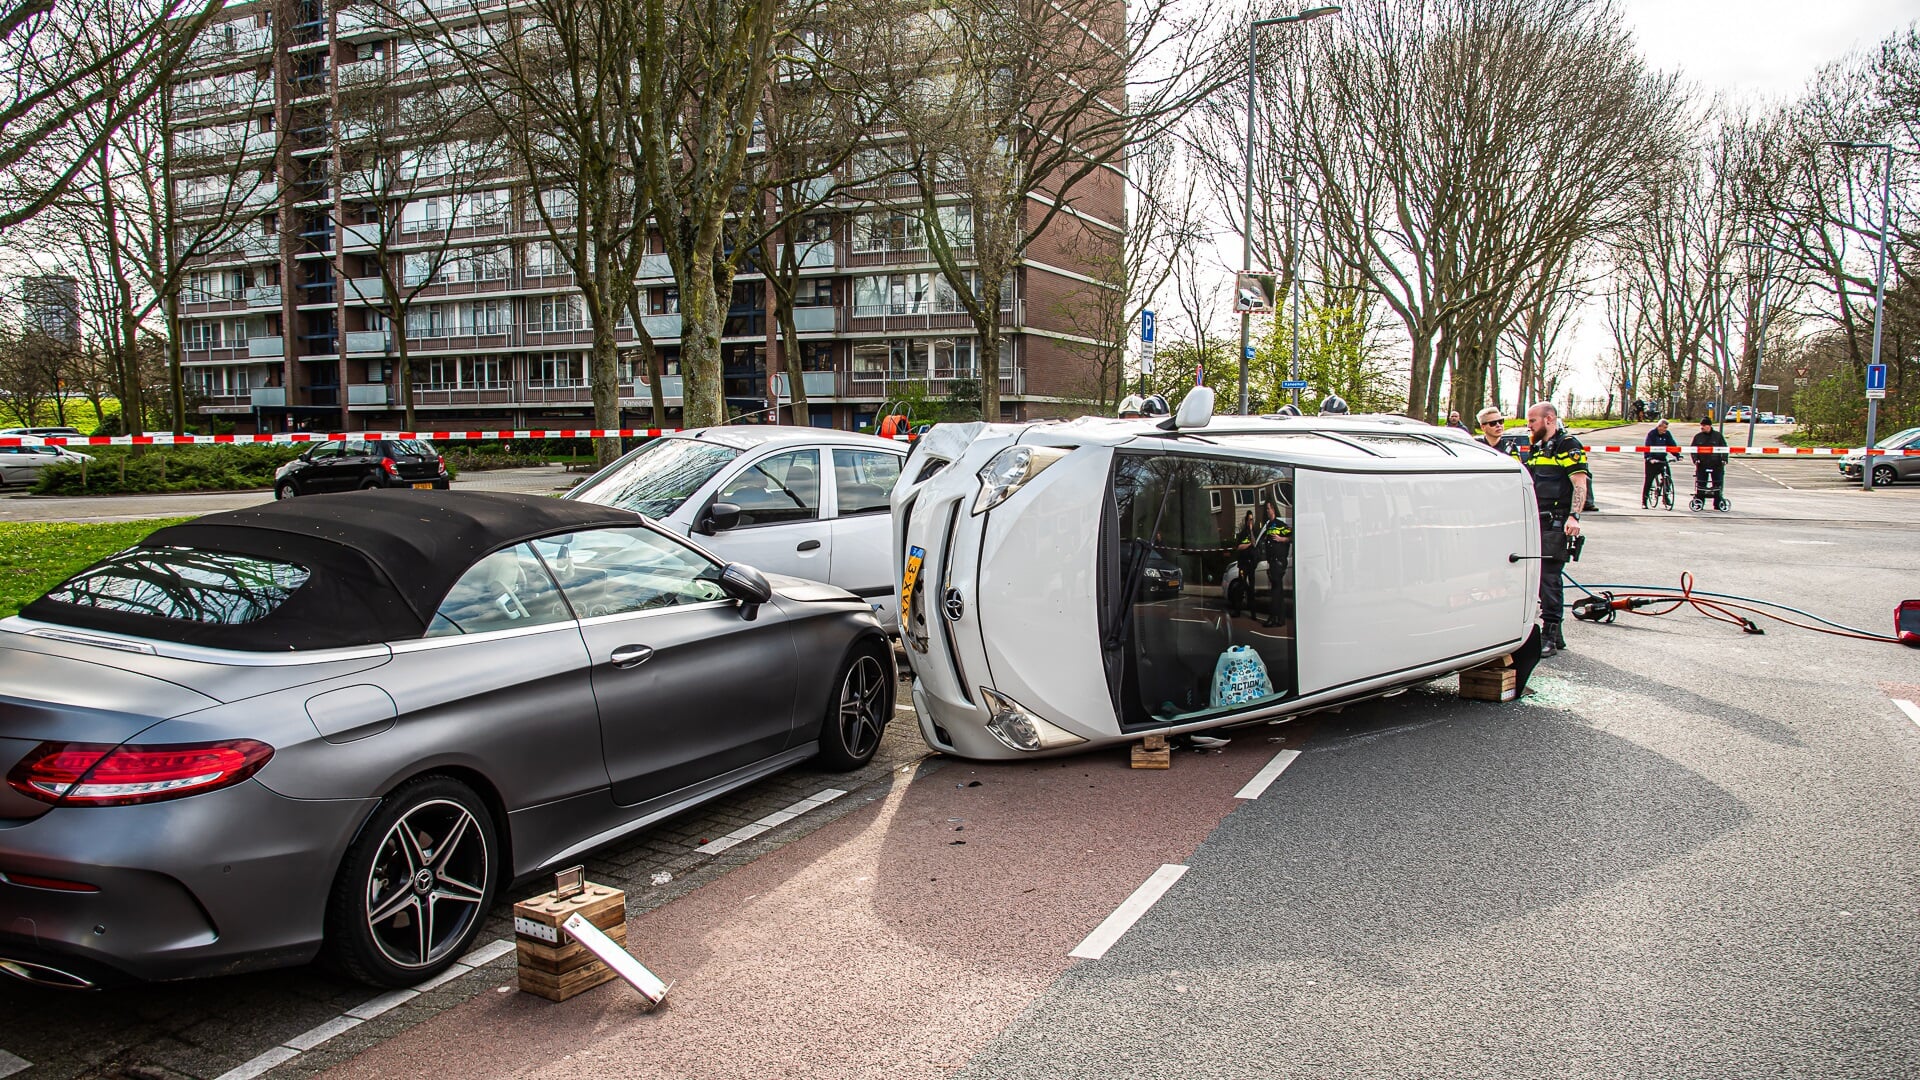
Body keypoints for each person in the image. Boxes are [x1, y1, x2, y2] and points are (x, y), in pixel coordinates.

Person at [1506, 402, 1588, 657]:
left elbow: (1580, 484)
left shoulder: (1568, 445)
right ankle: (1556, 635)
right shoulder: (1538, 447)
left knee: (1549, 578)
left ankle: (1550, 635)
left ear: (1549, 419)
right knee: (1538, 577)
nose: (1529, 426)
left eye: (1532, 421)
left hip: (1557, 521)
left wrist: (1574, 517)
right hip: (1537, 520)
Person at [1257, 497, 1292, 628]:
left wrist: (1282, 538)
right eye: (1266, 509)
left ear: (1273, 510)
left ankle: (1273, 618)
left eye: (1269, 508)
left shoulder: (1280, 525)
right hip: (1272, 563)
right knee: (1279, 591)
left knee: (1275, 591)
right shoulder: (1269, 526)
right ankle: (1281, 619)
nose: (1267, 511)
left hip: (1279, 562)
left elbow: (1292, 536)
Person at [1691, 417, 1728, 506]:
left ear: (1709, 426)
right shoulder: (1698, 437)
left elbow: (1724, 448)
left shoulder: (1718, 436)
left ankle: (1718, 502)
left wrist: (1724, 459)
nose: (1702, 427)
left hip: (1716, 463)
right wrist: (1695, 459)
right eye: (1701, 425)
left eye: (1704, 425)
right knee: (1701, 484)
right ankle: (1700, 501)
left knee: (1717, 484)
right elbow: (1693, 449)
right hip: (1702, 463)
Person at [1230, 510, 1259, 617]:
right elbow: (1239, 546)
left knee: (1251, 588)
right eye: (1250, 519)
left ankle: (1253, 612)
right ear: (1246, 520)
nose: (1251, 522)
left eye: (1252, 519)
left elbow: (1255, 543)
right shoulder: (1242, 533)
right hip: (1243, 564)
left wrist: (1251, 532)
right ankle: (1237, 610)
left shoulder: (1254, 532)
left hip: (1251, 564)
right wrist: (1247, 545)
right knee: (1241, 586)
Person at [1642, 418, 1679, 504]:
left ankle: (1665, 498)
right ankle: (1644, 501)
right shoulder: (1652, 434)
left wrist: (1677, 455)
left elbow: (1672, 445)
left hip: (1662, 459)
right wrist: (1649, 458)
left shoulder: (1667, 434)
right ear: (1659, 427)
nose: (1665, 430)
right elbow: (1647, 447)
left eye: (1666, 428)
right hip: (1652, 460)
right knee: (1648, 480)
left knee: (1668, 478)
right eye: (1664, 427)